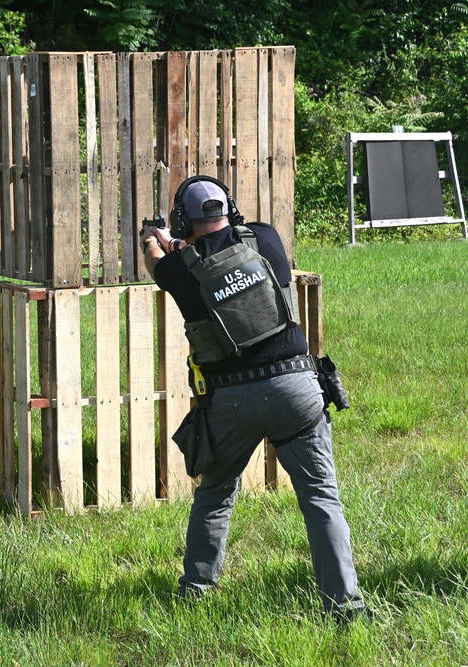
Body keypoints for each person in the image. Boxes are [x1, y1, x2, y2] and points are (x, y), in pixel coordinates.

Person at [139, 175, 367, 623]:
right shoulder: (265, 237)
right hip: (297, 388)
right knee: (321, 498)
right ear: (231, 208)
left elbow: (156, 262)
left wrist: (154, 237)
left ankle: (196, 592)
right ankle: (347, 607)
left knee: (217, 494)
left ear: (183, 219)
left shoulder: (177, 269)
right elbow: (224, 252)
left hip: (231, 401)